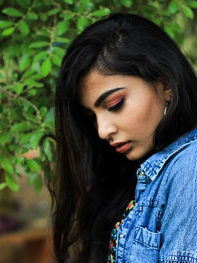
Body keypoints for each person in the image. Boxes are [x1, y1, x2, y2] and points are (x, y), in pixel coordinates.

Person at [50, 13, 197, 263]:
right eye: (91, 116)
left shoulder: (190, 166)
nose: (102, 131)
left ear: (166, 86)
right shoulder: (141, 175)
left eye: (114, 104)